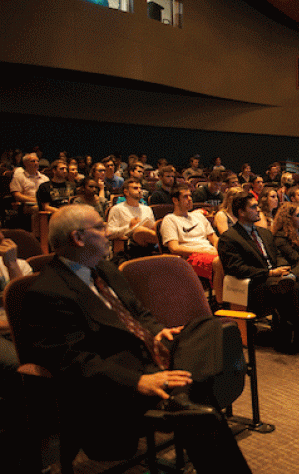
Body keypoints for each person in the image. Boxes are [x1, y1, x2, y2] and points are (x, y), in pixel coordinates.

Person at [21, 205, 253, 472]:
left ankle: (181, 394)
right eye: (100, 227)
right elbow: (73, 362)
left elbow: (139, 312)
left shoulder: (105, 268)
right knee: (201, 412)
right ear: (78, 238)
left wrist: (156, 331)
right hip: (119, 373)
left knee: (209, 326)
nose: (107, 232)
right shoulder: (48, 292)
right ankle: (185, 398)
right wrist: (139, 381)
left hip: (150, 350)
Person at [218, 193, 299, 358]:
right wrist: (269, 273)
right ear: (241, 212)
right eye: (253, 207)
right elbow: (236, 269)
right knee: (296, 285)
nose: (258, 209)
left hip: (276, 280)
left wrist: (283, 268)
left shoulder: (264, 233)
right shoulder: (229, 238)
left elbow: (276, 257)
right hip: (253, 286)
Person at [161, 185, 219, 282]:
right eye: (185, 197)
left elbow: (214, 239)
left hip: (211, 252)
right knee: (220, 263)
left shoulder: (198, 216)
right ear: (175, 200)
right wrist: (205, 251)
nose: (190, 199)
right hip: (190, 258)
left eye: (190, 196)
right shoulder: (169, 219)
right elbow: (174, 248)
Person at [0, 231, 33, 378]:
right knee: (23, 366)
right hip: (10, 329)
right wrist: (15, 325)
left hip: (21, 328)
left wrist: (12, 265)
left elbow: (26, 307)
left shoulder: (20, 264)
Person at [107, 178, 159, 252]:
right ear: (126, 192)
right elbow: (110, 232)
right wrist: (129, 227)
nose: (139, 190)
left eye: (140, 188)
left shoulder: (147, 209)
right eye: (135, 188)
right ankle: (161, 240)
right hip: (130, 245)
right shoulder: (117, 209)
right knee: (139, 229)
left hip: (149, 243)